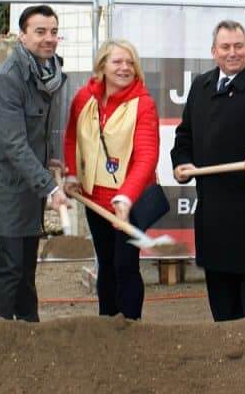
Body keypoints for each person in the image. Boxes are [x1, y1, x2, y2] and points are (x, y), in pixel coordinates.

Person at [172, 20, 245, 321]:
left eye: (239, 46)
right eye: (225, 47)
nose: (232, 52)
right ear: (214, 52)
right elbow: (184, 136)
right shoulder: (201, 86)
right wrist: (180, 163)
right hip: (213, 210)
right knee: (220, 296)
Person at [0, 5, 70, 322]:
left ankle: (29, 330)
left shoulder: (50, 72)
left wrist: (52, 159)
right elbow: (14, 144)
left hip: (29, 185)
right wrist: (50, 187)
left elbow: (41, 130)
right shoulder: (7, 80)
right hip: (5, 186)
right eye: (40, 31)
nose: (49, 38)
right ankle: (1, 334)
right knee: (11, 265)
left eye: (54, 32)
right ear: (23, 35)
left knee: (26, 264)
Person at [62, 39, 160, 319]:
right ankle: (107, 324)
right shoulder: (84, 98)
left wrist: (126, 196)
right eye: (118, 61)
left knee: (125, 264)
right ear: (102, 65)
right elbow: (72, 139)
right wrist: (71, 173)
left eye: (130, 62)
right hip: (95, 200)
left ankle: (130, 325)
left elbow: (147, 156)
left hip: (131, 202)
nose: (125, 68)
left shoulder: (144, 104)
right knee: (105, 262)